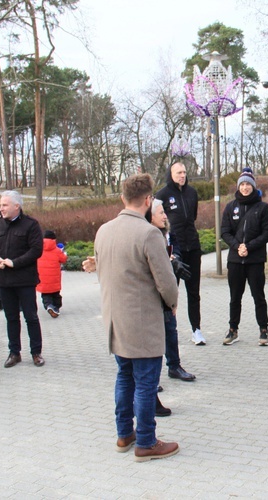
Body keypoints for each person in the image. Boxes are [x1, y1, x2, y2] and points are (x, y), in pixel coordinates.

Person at [94, 173, 180, 462]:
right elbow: (166, 282)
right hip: (142, 322)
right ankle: (145, 441)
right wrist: (172, 303)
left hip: (115, 321)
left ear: (122, 198)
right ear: (147, 200)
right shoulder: (148, 234)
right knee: (145, 382)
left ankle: (124, 434)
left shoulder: (103, 230)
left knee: (125, 377)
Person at [0, 190, 45, 368]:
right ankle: (14, 352)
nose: (1, 208)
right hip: (4, 281)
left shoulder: (31, 225)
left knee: (31, 317)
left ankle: (36, 352)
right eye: (1, 205)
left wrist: (14, 263)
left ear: (17, 206)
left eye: (5, 205)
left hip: (25, 280)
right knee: (11, 318)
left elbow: (36, 250)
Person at [221, 168, 268, 346]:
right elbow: (225, 232)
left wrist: (248, 247)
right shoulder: (230, 207)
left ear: (253, 186)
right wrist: (237, 247)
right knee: (235, 297)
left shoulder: (263, 207)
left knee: (258, 296)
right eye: (242, 184)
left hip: (255, 260)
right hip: (235, 260)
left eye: (248, 184)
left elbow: (267, 233)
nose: (245, 188)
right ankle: (233, 329)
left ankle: (263, 330)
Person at [155, 162, 205, 346]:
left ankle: (196, 330)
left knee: (194, 292)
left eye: (184, 172)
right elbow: (157, 222)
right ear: (171, 173)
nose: (182, 175)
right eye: (178, 173)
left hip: (192, 247)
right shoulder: (162, 195)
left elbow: (192, 217)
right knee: (170, 292)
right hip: (173, 251)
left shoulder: (192, 193)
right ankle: (168, 330)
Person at [148, 198, 196, 384]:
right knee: (154, 335)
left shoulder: (167, 232)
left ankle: (174, 366)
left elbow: (175, 248)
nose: (165, 215)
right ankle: (150, 379)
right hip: (152, 291)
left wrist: (175, 260)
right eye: (161, 212)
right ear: (150, 216)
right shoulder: (148, 234)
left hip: (167, 286)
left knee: (170, 328)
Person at [36, 230, 67, 318]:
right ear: (54, 239)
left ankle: (49, 306)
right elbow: (63, 259)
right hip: (54, 277)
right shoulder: (57, 250)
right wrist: (64, 253)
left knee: (46, 295)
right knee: (56, 294)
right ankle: (56, 307)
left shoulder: (38, 249)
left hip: (42, 277)